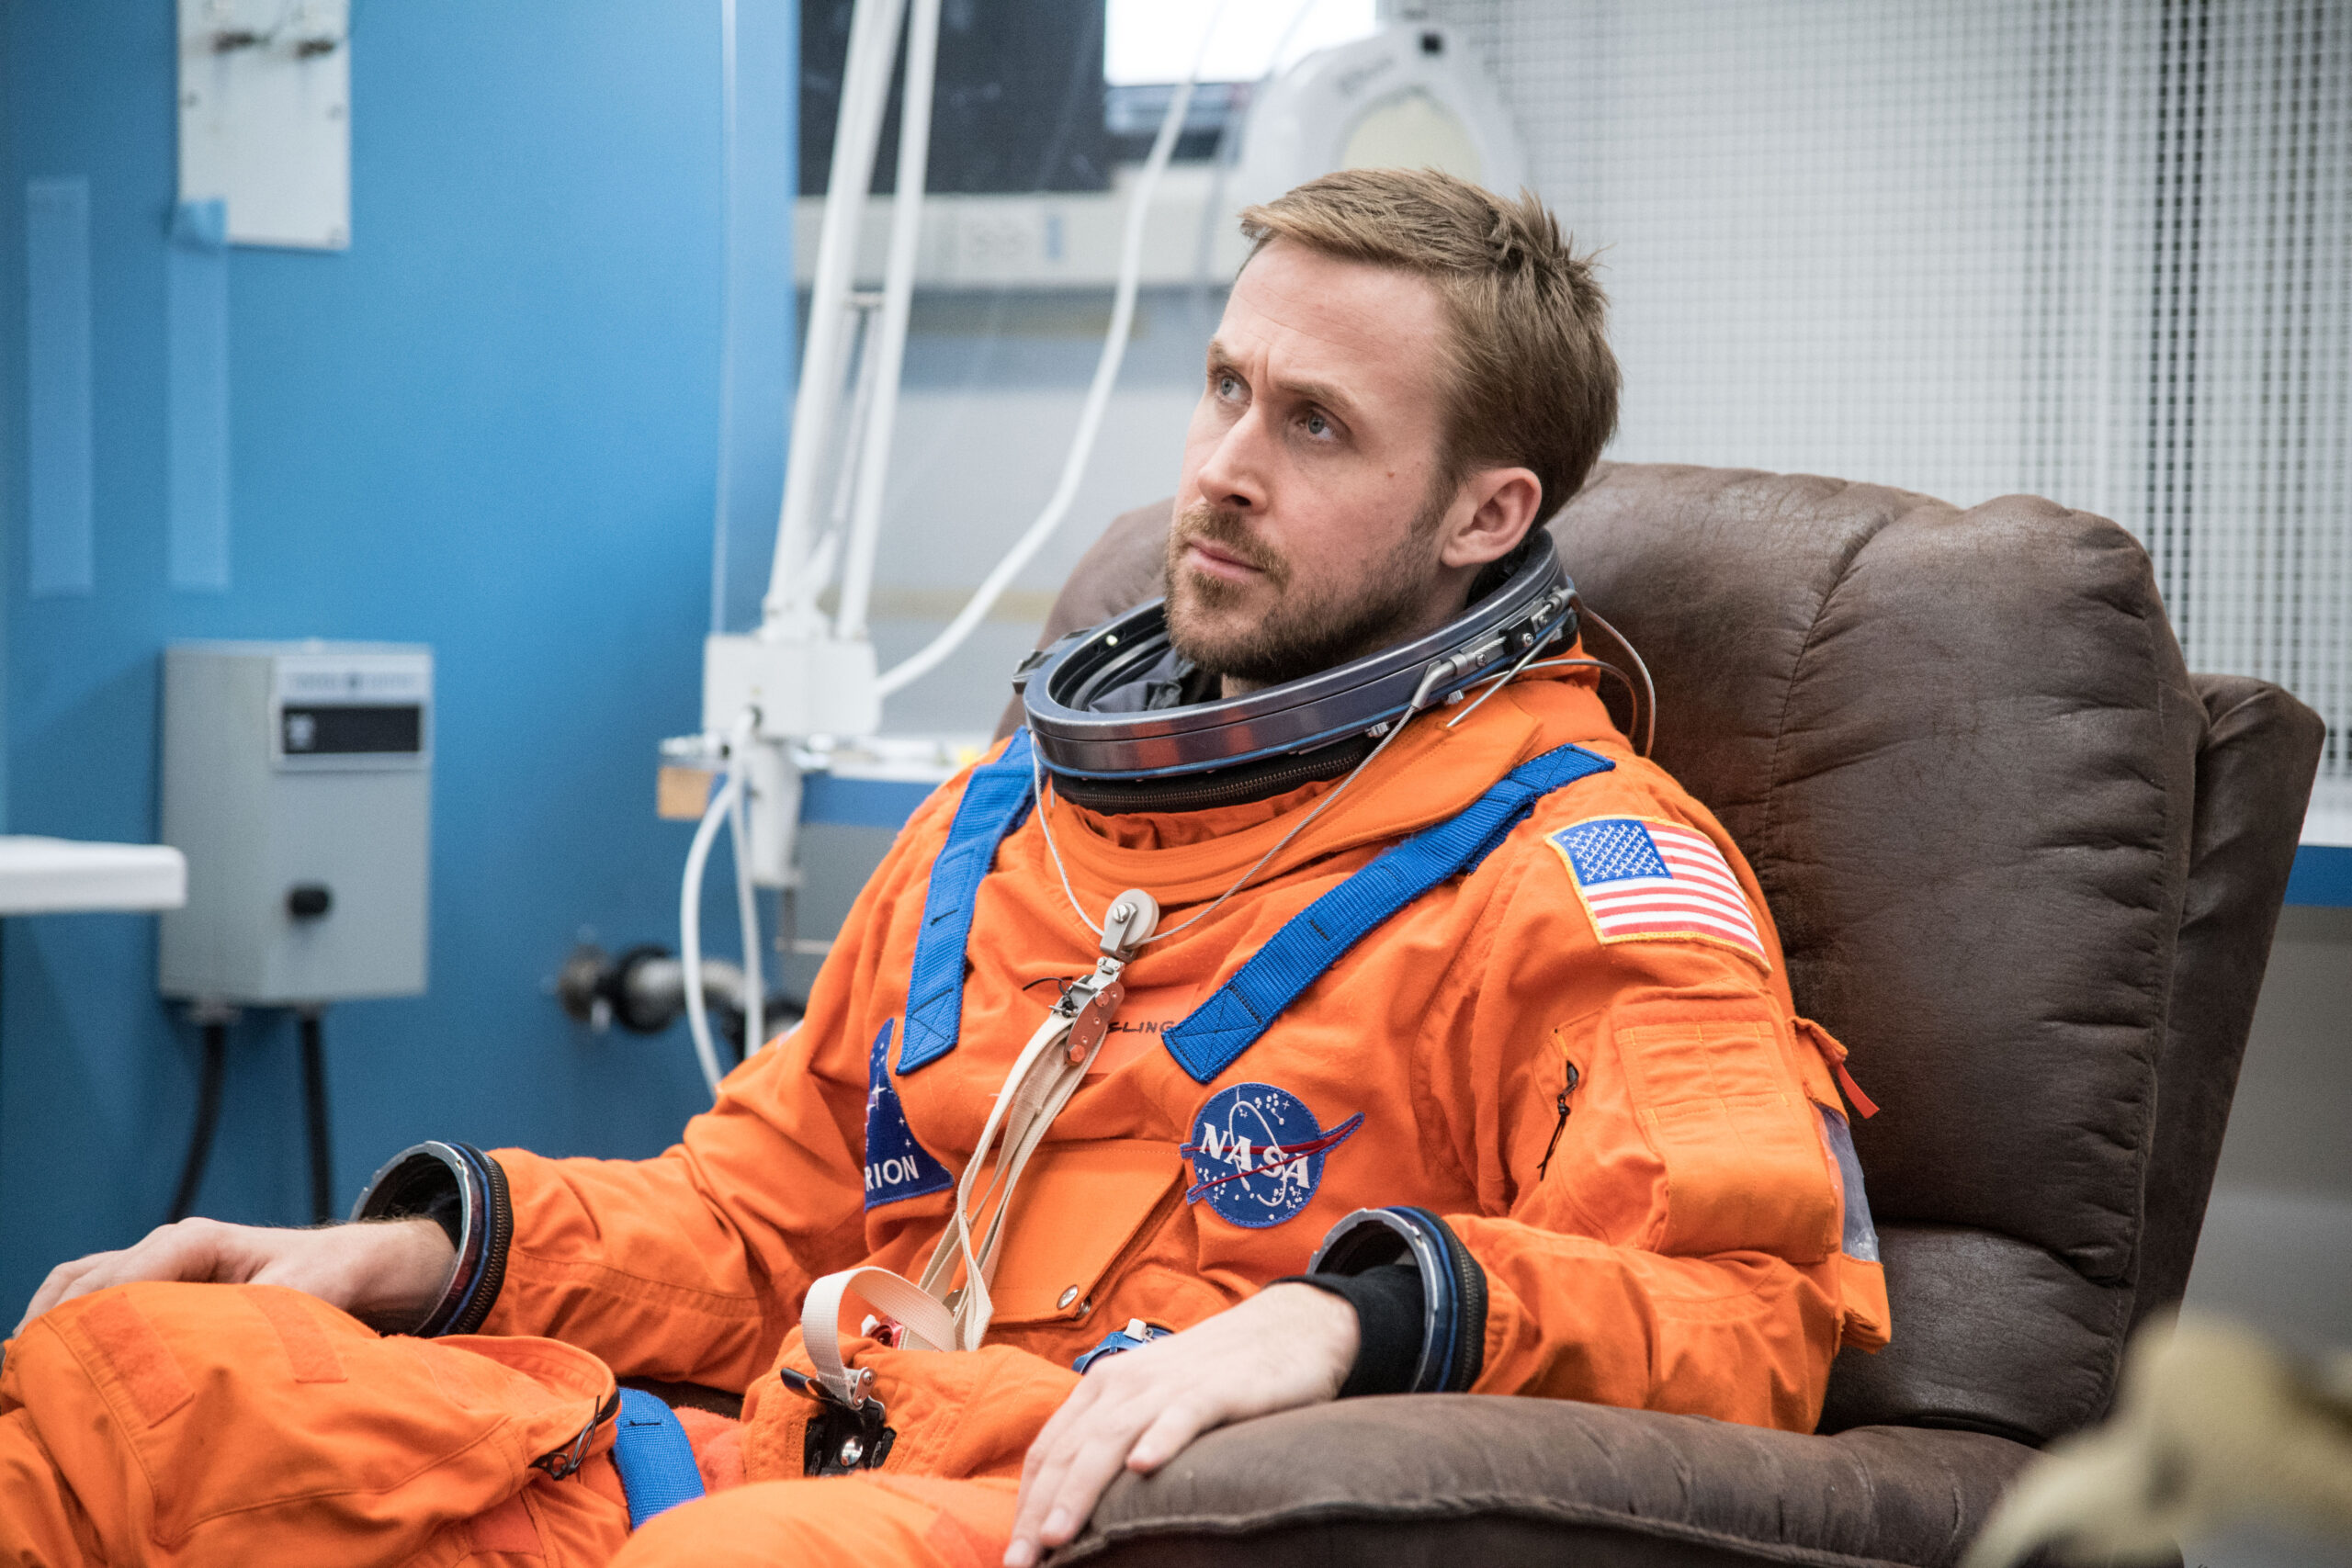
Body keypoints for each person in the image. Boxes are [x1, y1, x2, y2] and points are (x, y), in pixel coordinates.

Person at [2, 169, 1887, 1568]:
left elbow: (1743, 1306)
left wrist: (1337, 1313)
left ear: (1488, 514)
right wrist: (404, 1255)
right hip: (762, 1459)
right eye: (1222, 386)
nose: (1217, 470)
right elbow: (750, 1221)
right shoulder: (1007, 816)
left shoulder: (1583, 866)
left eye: (1311, 424)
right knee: (127, 1383)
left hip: (1083, 1511)